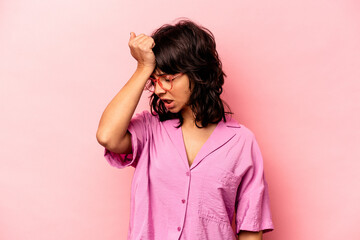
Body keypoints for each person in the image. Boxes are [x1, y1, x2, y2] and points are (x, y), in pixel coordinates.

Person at [96, 18, 274, 240]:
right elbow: (107, 136)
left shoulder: (242, 142)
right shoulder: (150, 130)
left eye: (168, 79)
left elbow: (250, 228)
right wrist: (143, 68)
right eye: (154, 80)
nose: (159, 90)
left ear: (197, 74)